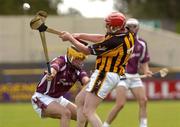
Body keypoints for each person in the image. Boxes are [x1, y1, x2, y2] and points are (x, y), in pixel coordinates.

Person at [59, 12, 135, 127]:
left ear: (117, 27)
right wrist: (80, 35)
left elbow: (86, 50)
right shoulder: (127, 33)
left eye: (109, 25)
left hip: (104, 75)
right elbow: (102, 39)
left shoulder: (115, 42)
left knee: (88, 111)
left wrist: (70, 38)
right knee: (80, 100)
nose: (107, 27)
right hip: (109, 74)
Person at [102, 18, 152, 127]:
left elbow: (144, 61)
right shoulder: (120, 41)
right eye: (130, 26)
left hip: (134, 76)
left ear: (138, 27)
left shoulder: (142, 44)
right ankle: (105, 125)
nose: (132, 28)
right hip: (121, 76)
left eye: (135, 26)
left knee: (143, 101)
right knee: (120, 104)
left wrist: (146, 70)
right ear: (125, 27)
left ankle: (143, 125)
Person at [31, 46, 89, 127]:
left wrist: (95, 80)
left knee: (84, 117)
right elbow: (54, 68)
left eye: (82, 59)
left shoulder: (78, 70)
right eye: (77, 58)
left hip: (58, 99)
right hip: (42, 98)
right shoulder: (61, 60)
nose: (80, 61)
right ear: (70, 56)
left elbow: (86, 81)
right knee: (65, 113)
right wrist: (51, 74)